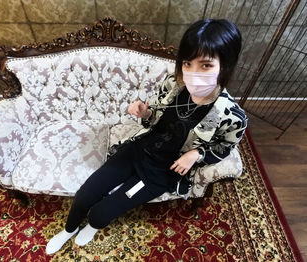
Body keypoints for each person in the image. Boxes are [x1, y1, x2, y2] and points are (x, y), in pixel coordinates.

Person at [46, 18, 248, 255]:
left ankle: (92, 225)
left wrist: (197, 153)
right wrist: (145, 112)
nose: (193, 73)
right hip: (138, 150)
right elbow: (154, 115)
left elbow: (226, 146)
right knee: (84, 196)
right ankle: (69, 230)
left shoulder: (232, 115)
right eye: (187, 63)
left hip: (161, 171)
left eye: (205, 66)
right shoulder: (174, 83)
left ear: (225, 65)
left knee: (101, 213)